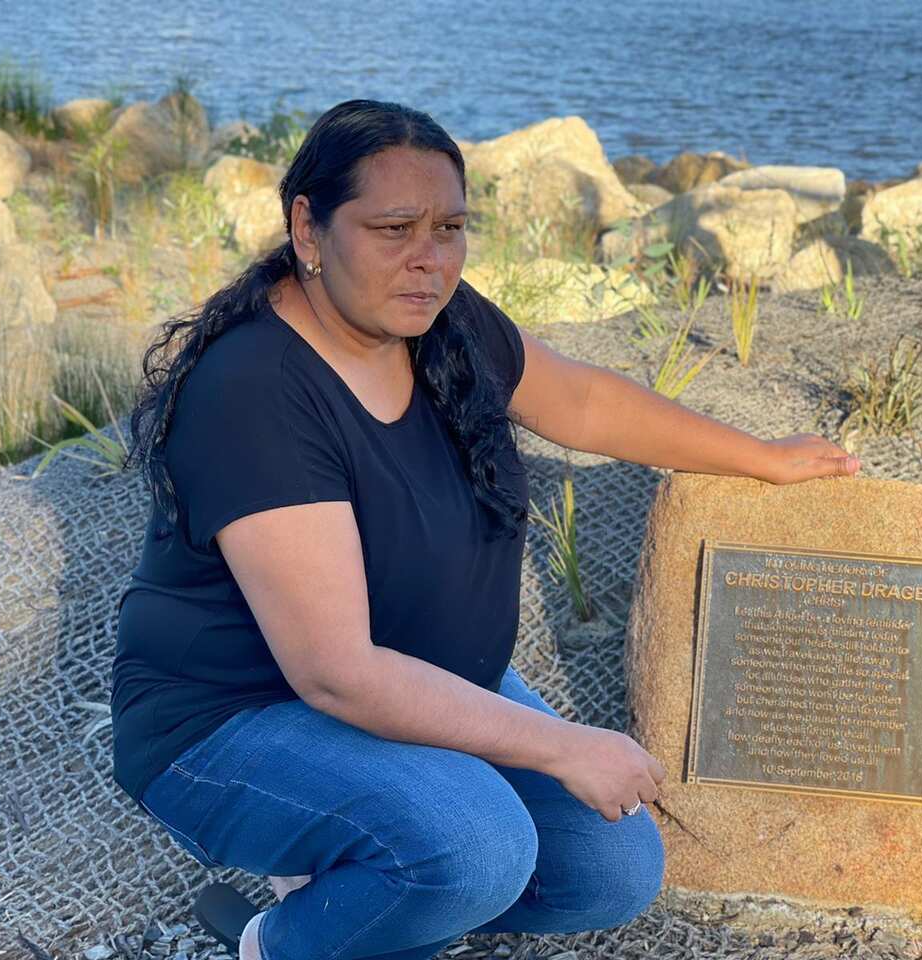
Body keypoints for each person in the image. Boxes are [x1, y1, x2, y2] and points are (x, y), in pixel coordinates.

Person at [112, 98, 863, 960]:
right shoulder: (254, 392)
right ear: (308, 230)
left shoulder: (438, 318)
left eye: (450, 227)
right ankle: (278, 945)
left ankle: (363, 884)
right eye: (393, 227)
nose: (428, 259)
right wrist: (564, 744)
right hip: (234, 716)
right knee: (474, 848)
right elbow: (337, 674)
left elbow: (580, 401)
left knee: (608, 867)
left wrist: (760, 456)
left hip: (412, 676)